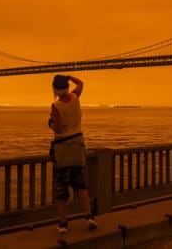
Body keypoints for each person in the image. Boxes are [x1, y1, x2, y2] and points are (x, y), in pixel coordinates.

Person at [48, 74, 98, 234]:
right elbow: (82, 82)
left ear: (55, 89)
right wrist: (71, 77)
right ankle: (89, 217)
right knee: (80, 184)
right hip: (78, 146)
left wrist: (50, 123)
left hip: (63, 149)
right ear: (67, 87)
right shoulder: (76, 97)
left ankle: (63, 224)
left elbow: (58, 129)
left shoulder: (56, 106)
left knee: (62, 187)